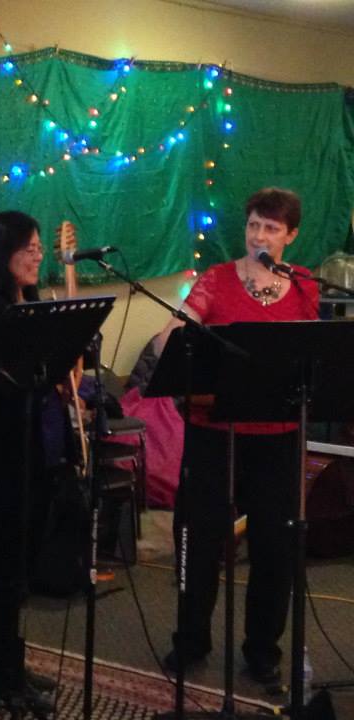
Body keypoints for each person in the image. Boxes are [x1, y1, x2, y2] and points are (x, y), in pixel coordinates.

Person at [156, 188, 320, 683]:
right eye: (253, 225)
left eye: (271, 228)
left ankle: (263, 649)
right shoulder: (216, 279)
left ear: (291, 235)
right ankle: (190, 640)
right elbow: (171, 338)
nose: (259, 236)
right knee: (200, 538)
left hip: (278, 435)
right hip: (215, 432)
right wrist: (176, 336)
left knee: (275, 545)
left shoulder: (305, 285)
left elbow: (313, 354)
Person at [0, 211, 63, 716]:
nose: (37, 255)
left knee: (22, 566)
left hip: (35, 446)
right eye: (28, 248)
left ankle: (10, 664)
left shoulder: (30, 302)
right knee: (4, 567)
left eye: (40, 247)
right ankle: (2, 675)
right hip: (3, 449)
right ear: (1, 254)